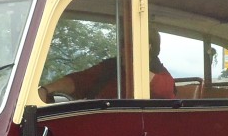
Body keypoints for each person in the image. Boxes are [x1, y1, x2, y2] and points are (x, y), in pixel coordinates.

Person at [39, 28, 175, 101]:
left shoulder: (162, 77)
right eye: (122, 43)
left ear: (148, 47)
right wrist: (46, 89)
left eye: (129, 43)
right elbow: (78, 81)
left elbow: (164, 91)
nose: (123, 48)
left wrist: (133, 63)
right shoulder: (111, 67)